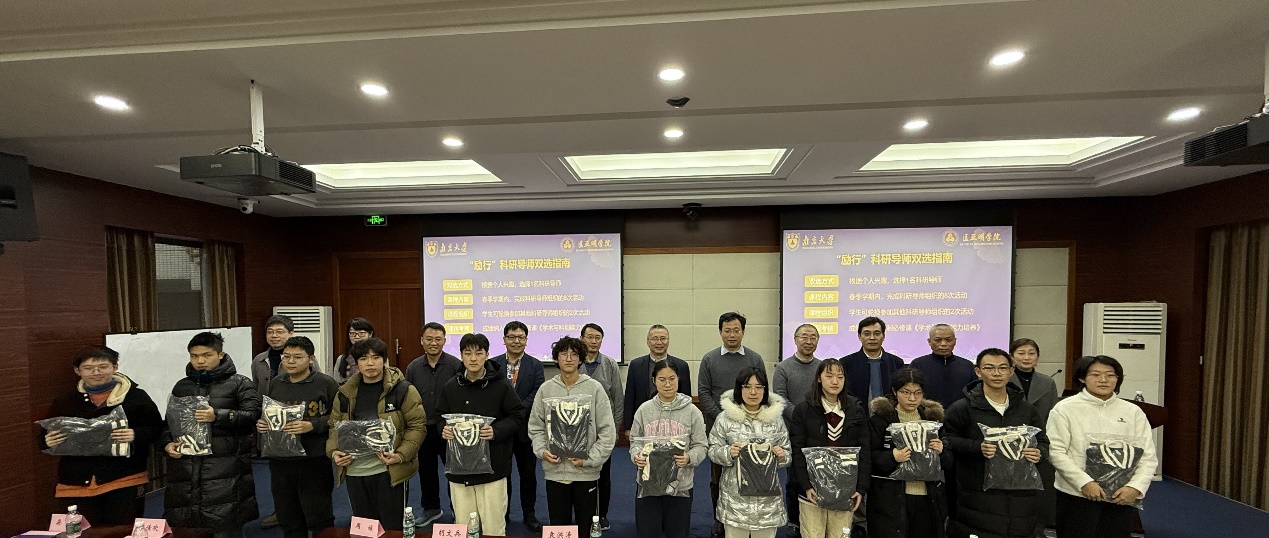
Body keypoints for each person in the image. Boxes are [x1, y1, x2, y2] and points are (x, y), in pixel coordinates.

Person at [40, 346, 163, 524]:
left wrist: (135, 434)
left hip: (124, 480)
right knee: (80, 534)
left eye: (103, 367)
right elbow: (44, 437)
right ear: (77, 370)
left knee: (122, 531)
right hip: (74, 484)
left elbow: (156, 429)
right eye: (88, 368)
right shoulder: (65, 401)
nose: (96, 372)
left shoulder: (136, 397)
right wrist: (47, 441)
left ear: (115, 367)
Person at [162, 332, 261, 538]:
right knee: (187, 529)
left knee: (224, 526)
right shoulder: (181, 386)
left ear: (220, 354)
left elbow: (252, 416)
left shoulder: (240, 383)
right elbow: (169, 424)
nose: (200, 361)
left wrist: (218, 415)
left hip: (225, 469)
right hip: (186, 470)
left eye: (206, 355)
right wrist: (167, 444)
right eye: (194, 356)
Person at [1047, 356, 1158, 538]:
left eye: (1110, 375)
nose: (1103, 380)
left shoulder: (1133, 412)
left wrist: (1135, 487)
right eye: (1096, 375)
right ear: (1082, 378)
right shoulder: (1065, 409)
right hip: (1077, 495)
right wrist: (1084, 483)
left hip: (1120, 495)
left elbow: (1147, 456)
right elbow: (1056, 452)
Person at [943, 348, 1048, 538]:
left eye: (1002, 368)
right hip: (977, 496)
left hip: (1020, 499)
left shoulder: (1027, 409)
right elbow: (947, 441)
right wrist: (977, 447)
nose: (997, 373)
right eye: (989, 368)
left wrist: (1038, 452)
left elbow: (1042, 441)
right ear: (978, 372)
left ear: (1011, 371)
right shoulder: (962, 408)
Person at [327, 337, 426, 531]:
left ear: (385, 360)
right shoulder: (344, 393)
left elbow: (417, 426)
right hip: (355, 470)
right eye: (363, 358)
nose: (370, 363)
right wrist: (334, 452)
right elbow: (334, 426)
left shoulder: (403, 390)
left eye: (375, 357)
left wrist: (401, 455)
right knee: (365, 528)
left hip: (389, 470)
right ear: (357, 363)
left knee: (393, 528)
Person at [437, 333, 526, 537]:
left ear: (487, 355)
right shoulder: (451, 386)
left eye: (479, 353)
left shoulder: (501, 385)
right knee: (463, 527)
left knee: (493, 528)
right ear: (461, 356)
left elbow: (517, 416)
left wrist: (496, 431)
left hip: (492, 468)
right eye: (468, 353)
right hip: (459, 470)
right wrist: (444, 428)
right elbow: (439, 416)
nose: (473, 358)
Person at [529, 336, 616, 537]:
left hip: (586, 473)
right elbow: (535, 427)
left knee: (586, 529)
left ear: (580, 359)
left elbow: (607, 431)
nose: (568, 358)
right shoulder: (546, 390)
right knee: (559, 529)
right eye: (563, 354)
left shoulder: (595, 388)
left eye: (574, 354)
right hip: (555, 472)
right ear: (556, 358)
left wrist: (590, 459)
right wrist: (542, 451)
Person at [255, 336, 339, 538]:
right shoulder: (276, 383)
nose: (290, 361)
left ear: (311, 359)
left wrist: (313, 425)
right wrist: (264, 423)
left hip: (313, 460)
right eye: (286, 356)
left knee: (319, 518)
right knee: (288, 517)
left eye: (297, 357)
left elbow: (339, 418)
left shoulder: (325, 383)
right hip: (280, 461)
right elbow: (271, 412)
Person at [699, 311, 767, 538]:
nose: (731, 335)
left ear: (743, 332)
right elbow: (703, 392)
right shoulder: (709, 359)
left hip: (752, 427)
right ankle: (719, 519)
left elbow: (762, 391)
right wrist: (724, 418)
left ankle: (749, 519)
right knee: (717, 477)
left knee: (751, 475)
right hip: (719, 428)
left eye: (736, 330)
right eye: (727, 330)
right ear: (720, 332)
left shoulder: (755, 359)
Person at [789, 358, 870, 538]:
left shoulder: (855, 409)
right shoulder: (803, 409)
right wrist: (806, 485)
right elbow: (797, 450)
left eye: (840, 377)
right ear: (819, 378)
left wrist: (861, 488)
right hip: (812, 491)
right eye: (829, 376)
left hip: (845, 490)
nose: (835, 381)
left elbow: (864, 451)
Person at [867, 367, 949, 538]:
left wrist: (941, 452)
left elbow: (949, 462)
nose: (912, 398)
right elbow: (868, 458)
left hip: (928, 497)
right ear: (895, 392)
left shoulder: (933, 420)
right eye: (906, 392)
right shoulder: (881, 419)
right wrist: (892, 457)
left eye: (918, 393)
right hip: (891, 498)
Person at [629, 360, 708, 538]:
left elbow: (701, 445)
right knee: (648, 532)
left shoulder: (692, 411)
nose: (667, 384)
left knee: (677, 532)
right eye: (662, 379)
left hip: (680, 484)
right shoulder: (644, 410)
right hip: (648, 484)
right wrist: (636, 456)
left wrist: (689, 457)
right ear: (654, 381)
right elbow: (634, 441)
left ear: (678, 379)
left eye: (672, 379)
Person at [709, 366, 790, 538]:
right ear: (739, 389)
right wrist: (728, 452)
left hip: (767, 503)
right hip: (735, 500)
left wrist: (781, 455)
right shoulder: (725, 418)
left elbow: (788, 453)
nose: (753, 392)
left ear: (765, 390)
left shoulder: (775, 419)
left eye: (759, 387)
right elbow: (712, 450)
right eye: (747, 386)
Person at [405, 322, 464, 526]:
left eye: (438, 339)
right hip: (422, 428)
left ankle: (458, 509)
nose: (433, 343)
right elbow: (408, 398)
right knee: (426, 471)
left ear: (445, 341)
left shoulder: (456, 365)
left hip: (449, 429)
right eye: (429, 339)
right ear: (421, 340)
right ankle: (431, 509)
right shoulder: (413, 367)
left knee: (454, 471)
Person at [490, 321, 545, 531]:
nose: (516, 341)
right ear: (504, 340)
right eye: (511, 337)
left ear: (526, 340)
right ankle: (502, 514)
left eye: (520, 337)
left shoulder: (535, 365)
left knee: (528, 475)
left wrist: (516, 411)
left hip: (525, 429)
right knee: (502, 475)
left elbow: (537, 392)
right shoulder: (493, 364)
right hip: (500, 429)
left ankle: (529, 514)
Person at [772, 323, 822, 535]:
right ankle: (794, 521)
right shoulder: (783, 368)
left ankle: (817, 518)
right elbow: (781, 399)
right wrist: (804, 420)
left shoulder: (822, 368)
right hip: (793, 432)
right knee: (795, 478)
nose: (808, 341)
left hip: (820, 431)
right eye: (804, 336)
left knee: (818, 476)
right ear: (795, 340)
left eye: (813, 337)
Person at [1008, 338, 1060, 536]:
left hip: (1039, 443)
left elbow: (1052, 414)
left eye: (1031, 353)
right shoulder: (1003, 380)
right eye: (1021, 353)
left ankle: (1038, 529)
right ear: (1012, 357)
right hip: (1009, 443)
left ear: (1037, 357)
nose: (1026, 357)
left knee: (1040, 492)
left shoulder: (1048, 382)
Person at [579, 323, 623, 530]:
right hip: (577, 430)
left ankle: (601, 514)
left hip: (603, 430)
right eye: (589, 337)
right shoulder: (574, 362)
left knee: (603, 475)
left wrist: (615, 429)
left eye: (597, 337)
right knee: (579, 474)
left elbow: (618, 398)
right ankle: (581, 514)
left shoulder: (610, 364)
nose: (593, 341)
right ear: (582, 339)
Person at [622, 324, 692, 437]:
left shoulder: (681, 366)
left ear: (668, 341)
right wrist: (628, 427)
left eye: (663, 338)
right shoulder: (636, 365)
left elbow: (686, 398)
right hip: (643, 422)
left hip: (674, 424)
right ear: (648, 342)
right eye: (654, 339)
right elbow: (630, 397)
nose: (659, 342)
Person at [840, 317, 905, 406]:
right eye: (867, 334)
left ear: (883, 336)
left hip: (890, 413)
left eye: (877, 333)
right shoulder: (846, 363)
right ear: (859, 336)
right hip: (856, 412)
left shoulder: (896, 363)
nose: (872, 338)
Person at [910, 324, 976, 409]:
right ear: (929, 341)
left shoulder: (967, 365)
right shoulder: (918, 364)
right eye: (937, 340)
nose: (943, 344)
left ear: (955, 341)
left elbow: (974, 394)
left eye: (948, 340)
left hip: (960, 414)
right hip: (927, 413)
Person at [251, 314, 294, 392]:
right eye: (270, 332)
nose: (274, 335)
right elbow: (255, 388)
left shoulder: (302, 357)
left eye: (279, 332)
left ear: (291, 333)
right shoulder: (259, 360)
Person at [333, 317, 375, 384]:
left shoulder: (378, 357)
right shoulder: (341, 359)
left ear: (370, 334)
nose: (357, 337)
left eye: (361, 333)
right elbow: (336, 383)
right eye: (352, 333)